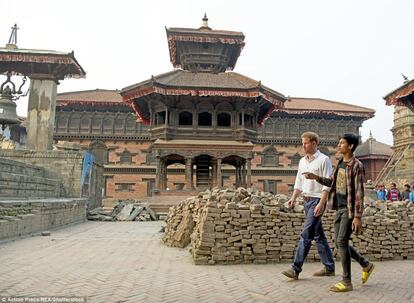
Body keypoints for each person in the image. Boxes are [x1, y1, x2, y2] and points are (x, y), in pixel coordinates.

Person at [303, 133, 375, 292]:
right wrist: (316, 177)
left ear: (350, 146)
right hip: (340, 208)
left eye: (342, 143)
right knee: (339, 242)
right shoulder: (341, 163)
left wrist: (357, 216)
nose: (339, 145)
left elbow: (359, 193)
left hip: (350, 210)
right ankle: (365, 264)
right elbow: (333, 184)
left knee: (341, 242)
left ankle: (347, 281)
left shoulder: (357, 166)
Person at [281, 132, 335, 280]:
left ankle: (295, 268)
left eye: (305, 143)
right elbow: (299, 181)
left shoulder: (324, 160)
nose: (303, 146)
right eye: (302, 143)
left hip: (318, 200)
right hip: (306, 200)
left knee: (306, 234)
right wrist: (293, 198)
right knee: (318, 235)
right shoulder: (302, 161)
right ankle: (329, 266)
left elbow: (327, 185)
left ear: (314, 143)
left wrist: (322, 204)